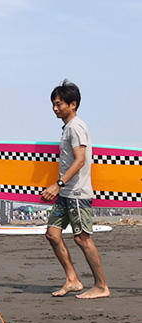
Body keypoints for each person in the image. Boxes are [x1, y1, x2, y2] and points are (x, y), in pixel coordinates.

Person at [40, 80, 108, 299]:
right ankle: (72, 280)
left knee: (82, 238)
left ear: (73, 104)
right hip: (65, 193)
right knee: (52, 234)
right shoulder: (67, 128)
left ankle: (101, 286)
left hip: (77, 193)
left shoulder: (76, 127)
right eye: (53, 104)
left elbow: (79, 161)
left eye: (59, 103)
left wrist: (57, 184)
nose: (55, 108)